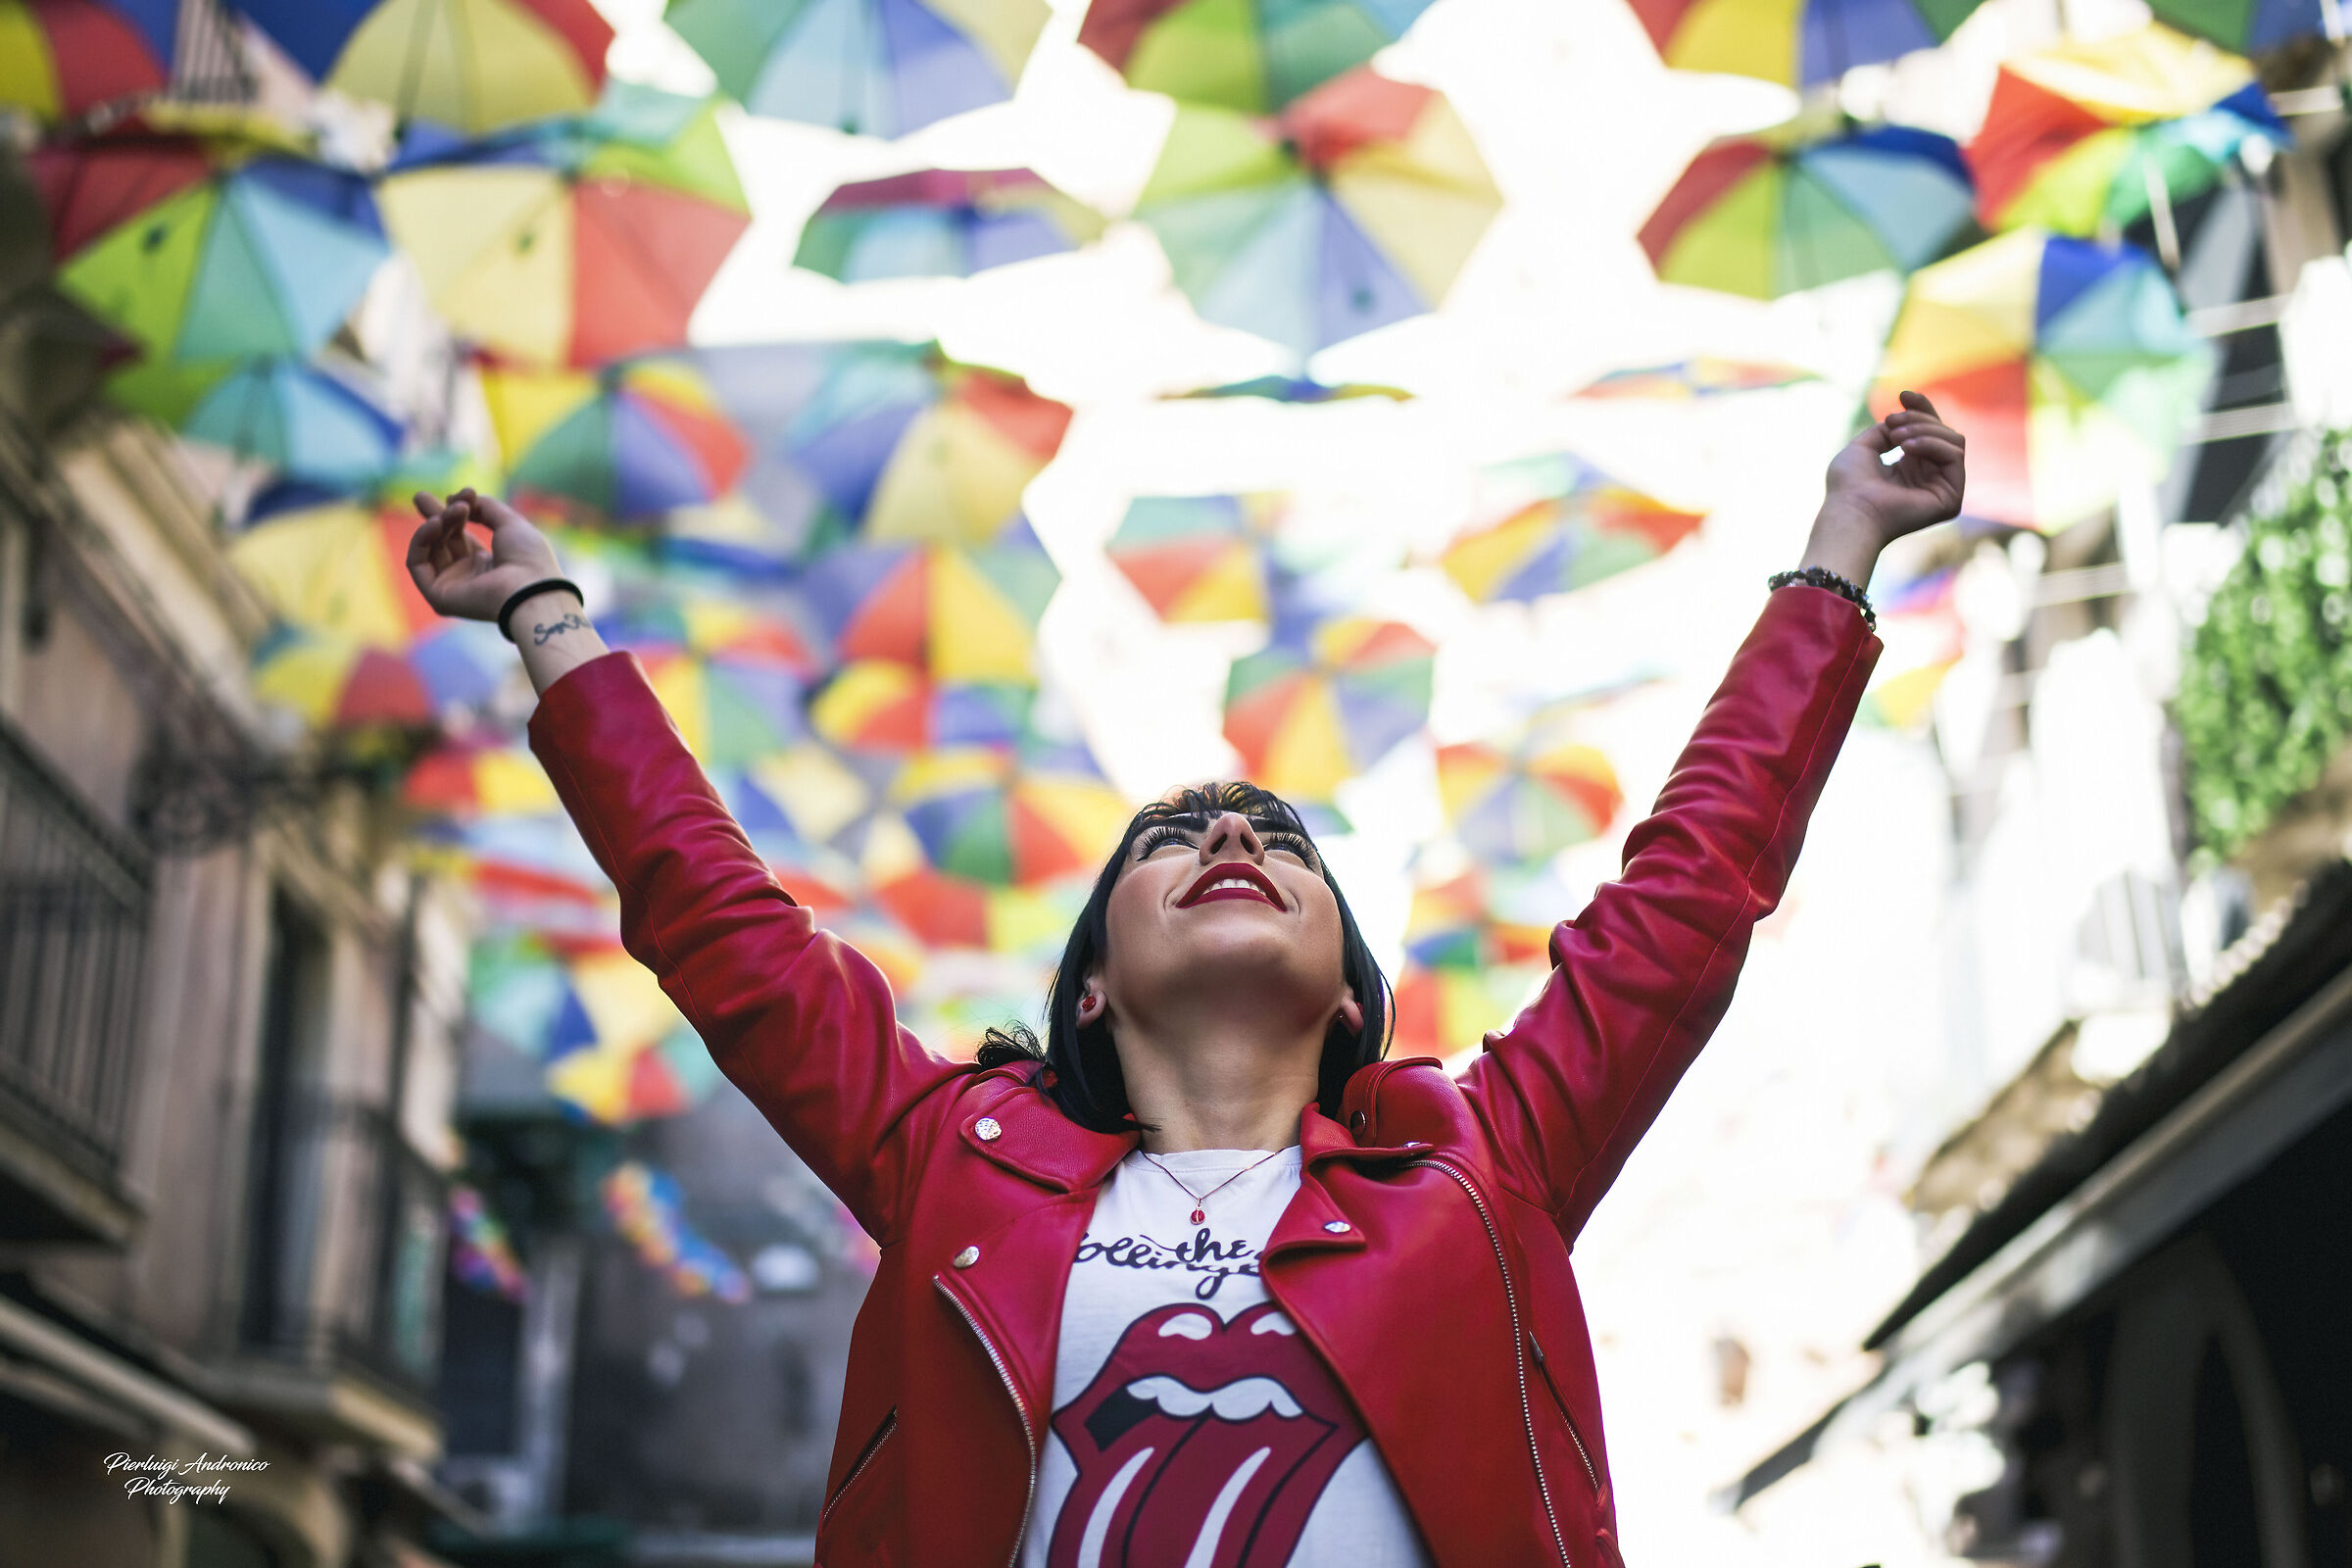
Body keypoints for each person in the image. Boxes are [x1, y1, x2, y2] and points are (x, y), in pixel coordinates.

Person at [409, 392, 1965, 1568]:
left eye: (1279, 836)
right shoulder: (947, 1161)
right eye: (1172, 839)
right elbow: (720, 922)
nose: (1230, 827)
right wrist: (550, 623)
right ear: (1091, 987)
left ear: (1351, 996)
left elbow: (1690, 892)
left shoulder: (1488, 1173)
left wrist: (1840, 555)